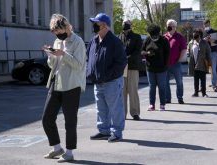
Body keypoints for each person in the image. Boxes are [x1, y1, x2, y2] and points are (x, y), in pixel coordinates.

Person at [42, 14, 87, 163]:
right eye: (55, 33)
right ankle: (57, 148)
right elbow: (52, 65)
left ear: (66, 28)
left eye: (59, 32)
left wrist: (63, 54)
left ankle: (69, 152)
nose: (58, 35)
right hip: (56, 83)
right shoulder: (56, 41)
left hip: (71, 85)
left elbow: (79, 65)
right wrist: (50, 55)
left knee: (70, 121)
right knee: (47, 118)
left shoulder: (78, 41)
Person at [86, 13, 127, 142]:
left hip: (112, 82)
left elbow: (121, 63)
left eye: (96, 24)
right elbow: (89, 58)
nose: (94, 26)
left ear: (104, 26)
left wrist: (109, 75)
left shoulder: (115, 41)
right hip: (98, 82)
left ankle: (117, 133)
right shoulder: (93, 40)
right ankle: (104, 131)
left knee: (115, 108)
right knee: (101, 108)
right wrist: (90, 72)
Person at [142, 24, 170, 111]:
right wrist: (147, 53)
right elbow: (141, 51)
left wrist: (165, 65)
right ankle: (152, 104)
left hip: (162, 68)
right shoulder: (147, 40)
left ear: (158, 34)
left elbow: (168, 53)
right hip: (150, 68)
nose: (153, 37)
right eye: (152, 36)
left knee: (162, 86)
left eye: (155, 36)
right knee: (152, 87)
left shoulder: (164, 40)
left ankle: (162, 104)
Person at [118, 20, 142, 121]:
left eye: (127, 23)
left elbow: (137, 52)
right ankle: (122, 114)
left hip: (132, 67)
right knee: (122, 92)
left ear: (131, 25)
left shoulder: (136, 37)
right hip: (121, 68)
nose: (125, 25)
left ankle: (135, 112)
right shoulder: (119, 37)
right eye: (124, 23)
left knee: (133, 90)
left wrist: (126, 58)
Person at [164, 19, 187, 104]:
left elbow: (184, 49)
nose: (170, 26)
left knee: (179, 82)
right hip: (166, 64)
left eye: (172, 25)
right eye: (169, 25)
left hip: (176, 63)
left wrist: (180, 59)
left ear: (175, 27)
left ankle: (180, 97)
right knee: (165, 82)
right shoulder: (164, 37)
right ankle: (167, 98)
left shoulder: (179, 37)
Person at [189, 29, 211, 97]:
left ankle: (204, 93)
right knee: (196, 79)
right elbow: (190, 53)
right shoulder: (191, 43)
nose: (194, 35)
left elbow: (208, 53)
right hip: (194, 64)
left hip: (202, 63)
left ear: (200, 35)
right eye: (194, 34)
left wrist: (209, 63)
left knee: (203, 79)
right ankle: (196, 92)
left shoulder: (205, 43)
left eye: (196, 34)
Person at [203, 19, 217, 92]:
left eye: (207, 25)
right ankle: (202, 86)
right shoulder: (203, 32)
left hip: (213, 52)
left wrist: (213, 41)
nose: (206, 26)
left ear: (209, 24)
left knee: (213, 69)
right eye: (205, 25)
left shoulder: (215, 31)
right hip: (204, 53)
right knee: (203, 70)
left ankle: (214, 85)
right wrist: (204, 40)